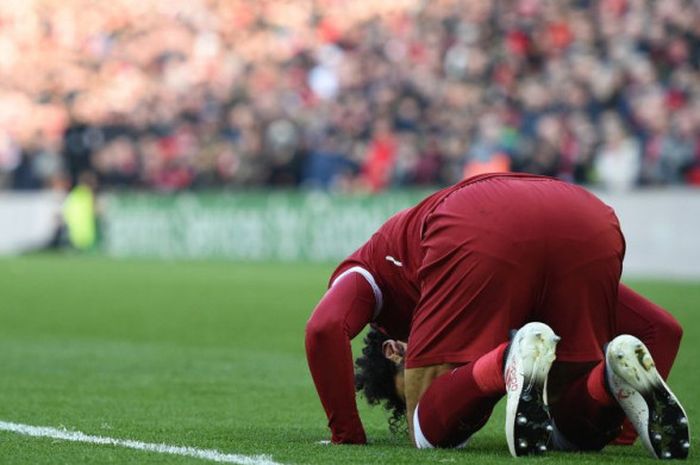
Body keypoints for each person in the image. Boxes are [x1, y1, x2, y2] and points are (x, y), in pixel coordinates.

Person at [305, 172, 689, 458]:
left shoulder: (371, 268)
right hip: (588, 217)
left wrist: (346, 434)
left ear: (394, 349)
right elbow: (661, 329)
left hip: (476, 222)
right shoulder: (432, 274)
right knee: (572, 433)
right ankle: (610, 380)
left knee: (424, 431)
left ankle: (506, 359)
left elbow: (324, 327)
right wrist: (621, 427)